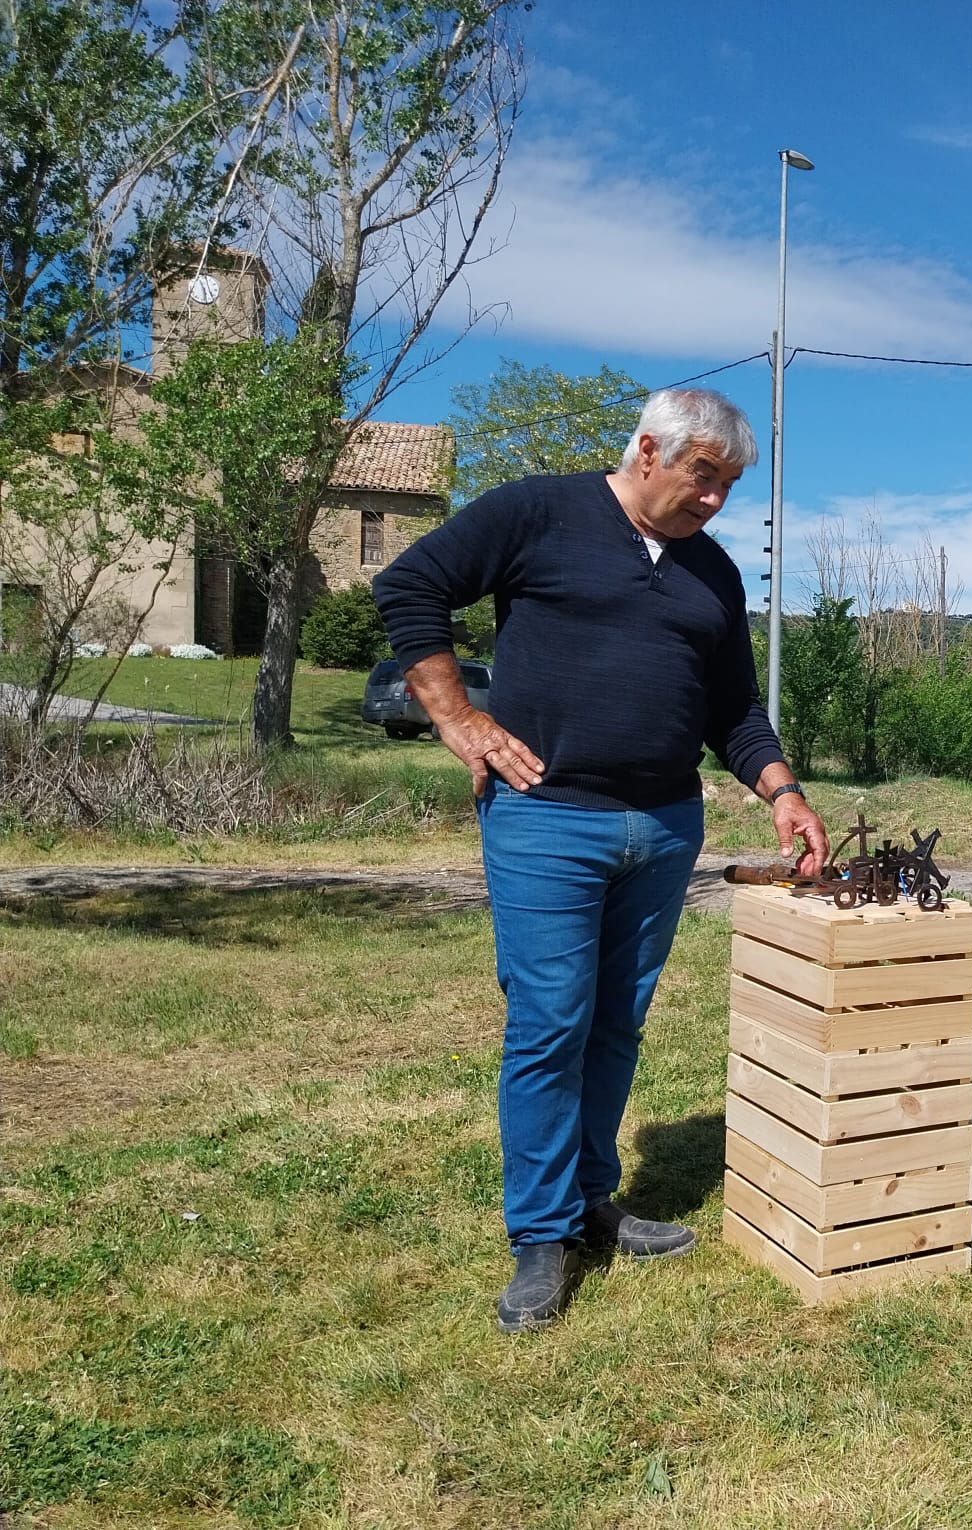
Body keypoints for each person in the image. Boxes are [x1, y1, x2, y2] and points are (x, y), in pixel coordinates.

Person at [372, 388, 828, 1334]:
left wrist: (782, 791)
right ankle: (541, 1236)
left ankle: (589, 1200)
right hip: (547, 820)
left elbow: (733, 709)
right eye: (704, 477)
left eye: (730, 486)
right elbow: (410, 585)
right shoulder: (538, 511)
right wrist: (457, 717)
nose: (716, 500)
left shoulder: (714, 572)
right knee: (550, 1024)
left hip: (663, 830)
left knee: (616, 1023)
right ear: (650, 452)